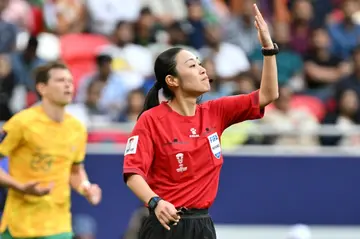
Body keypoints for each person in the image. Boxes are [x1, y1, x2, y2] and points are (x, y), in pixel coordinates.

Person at [123, 4, 279, 239]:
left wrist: (268, 48)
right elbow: (132, 172)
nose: (203, 70)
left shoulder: (216, 111)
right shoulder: (151, 120)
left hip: (203, 225)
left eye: (200, 63)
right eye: (192, 66)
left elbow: (267, 95)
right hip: (164, 226)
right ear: (172, 80)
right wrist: (155, 202)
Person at [0, 62, 102, 239]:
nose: (68, 84)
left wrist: (86, 187)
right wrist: (19, 186)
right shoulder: (22, 122)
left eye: (70, 80)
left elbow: (75, 170)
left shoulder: (77, 128)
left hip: (58, 225)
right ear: (42, 88)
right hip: (19, 225)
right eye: (60, 80)